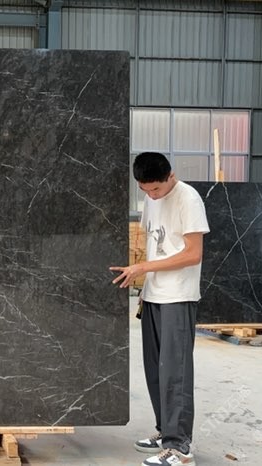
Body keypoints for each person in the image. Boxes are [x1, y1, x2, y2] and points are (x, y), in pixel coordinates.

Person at [110, 152, 210, 466]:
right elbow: (153, 244)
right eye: (145, 190)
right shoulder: (150, 200)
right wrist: (144, 285)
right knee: (155, 370)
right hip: (153, 294)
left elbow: (193, 254)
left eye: (156, 189)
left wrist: (143, 268)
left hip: (178, 296)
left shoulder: (188, 199)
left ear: (170, 176)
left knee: (175, 373)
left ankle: (179, 448)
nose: (152, 195)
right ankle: (165, 431)